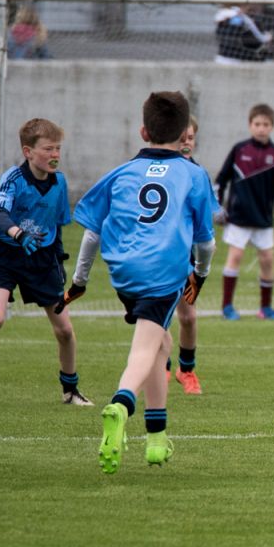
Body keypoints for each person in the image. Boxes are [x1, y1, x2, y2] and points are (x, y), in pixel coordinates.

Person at [65, 91, 216, 473]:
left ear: (143, 130)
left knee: (162, 344)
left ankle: (156, 440)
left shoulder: (119, 172)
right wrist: (199, 274)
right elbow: (206, 241)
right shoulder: (193, 174)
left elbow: (91, 233)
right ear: (185, 134)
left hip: (123, 272)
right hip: (163, 270)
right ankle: (121, 403)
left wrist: (80, 280)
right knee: (145, 348)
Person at [0, 118, 92, 410]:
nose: (55, 154)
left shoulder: (59, 182)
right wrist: (17, 233)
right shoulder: (13, 178)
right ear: (28, 151)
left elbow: (57, 225)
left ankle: (70, 390)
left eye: (58, 148)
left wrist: (59, 259)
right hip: (5, 256)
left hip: (41, 259)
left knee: (64, 330)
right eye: (48, 148)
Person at [215, 103, 274, 321]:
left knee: (268, 260)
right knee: (236, 256)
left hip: (263, 219)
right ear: (250, 125)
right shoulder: (239, 150)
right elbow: (220, 181)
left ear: (272, 127)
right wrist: (218, 207)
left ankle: (266, 307)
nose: (261, 128)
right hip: (238, 218)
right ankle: (227, 307)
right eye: (257, 124)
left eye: (266, 124)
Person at [169, 116, 207, 394]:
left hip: (187, 259)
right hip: (157, 257)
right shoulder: (160, 171)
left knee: (189, 317)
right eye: (181, 137)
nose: (186, 142)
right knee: (159, 316)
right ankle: (162, 366)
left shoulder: (198, 175)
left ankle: (187, 369)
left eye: (190, 138)